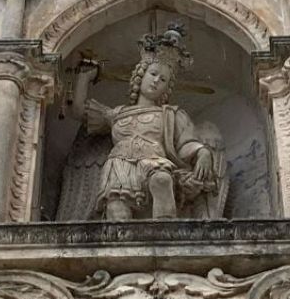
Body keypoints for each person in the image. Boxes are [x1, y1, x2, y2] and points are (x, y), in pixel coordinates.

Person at [70, 25, 217, 220]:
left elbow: (185, 144)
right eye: (153, 74)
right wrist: (83, 78)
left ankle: (167, 233)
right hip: (120, 165)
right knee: (117, 212)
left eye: (163, 80)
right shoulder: (117, 114)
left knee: (162, 181)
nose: (156, 81)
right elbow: (79, 111)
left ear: (166, 88)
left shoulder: (170, 115)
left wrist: (203, 152)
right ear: (141, 75)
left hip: (154, 160)